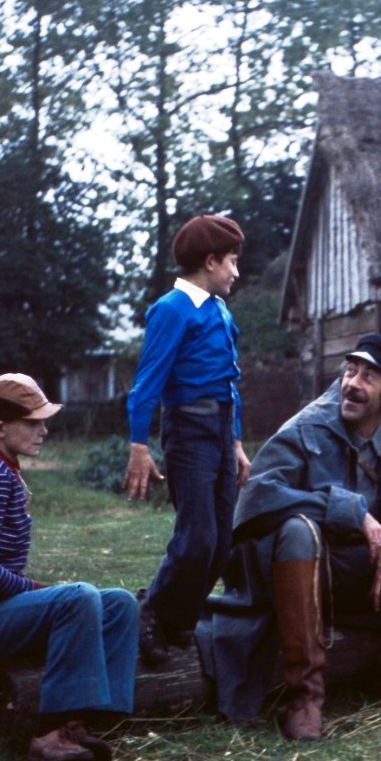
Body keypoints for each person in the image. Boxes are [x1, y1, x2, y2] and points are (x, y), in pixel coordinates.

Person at [198, 334, 381, 741]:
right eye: (350, 371)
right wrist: (350, 511)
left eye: (368, 377)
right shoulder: (306, 428)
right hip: (303, 577)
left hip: (368, 581)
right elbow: (256, 499)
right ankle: (305, 696)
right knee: (298, 530)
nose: (352, 383)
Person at [0, 374, 136, 761]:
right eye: (33, 422)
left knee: (120, 604)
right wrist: (37, 589)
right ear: (0, 428)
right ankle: (50, 734)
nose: (43, 430)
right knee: (77, 597)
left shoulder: (2, 466)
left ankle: (95, 719)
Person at [124, 214, 251, 667]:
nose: (236, 272)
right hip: (189, 432)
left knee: (220, 544)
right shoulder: (172, 309)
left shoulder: (219, 310)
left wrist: (236, 441)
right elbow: (147, 383)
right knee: (196, 538)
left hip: (220, 431)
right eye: (232, 262)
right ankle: (150, 611)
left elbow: (229, 385)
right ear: (210, 261)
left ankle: (179, 620)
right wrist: (139, 445)